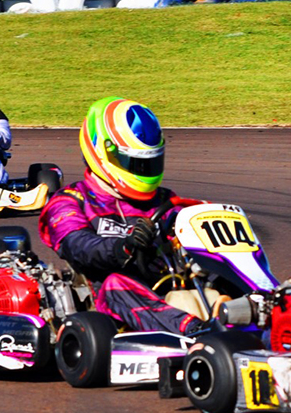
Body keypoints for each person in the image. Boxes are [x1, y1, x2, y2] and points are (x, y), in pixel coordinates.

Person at [38, 97, 211, 335]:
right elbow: (77, 245)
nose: (144, 171)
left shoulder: (165, 200)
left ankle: (257, 314)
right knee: (115, 284)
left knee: (214, 274)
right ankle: (195, 331)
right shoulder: (70, 200)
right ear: (102, 152)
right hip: (108, 307)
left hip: (168, 288)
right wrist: (123, 247)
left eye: (149, 163)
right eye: (136, 163)